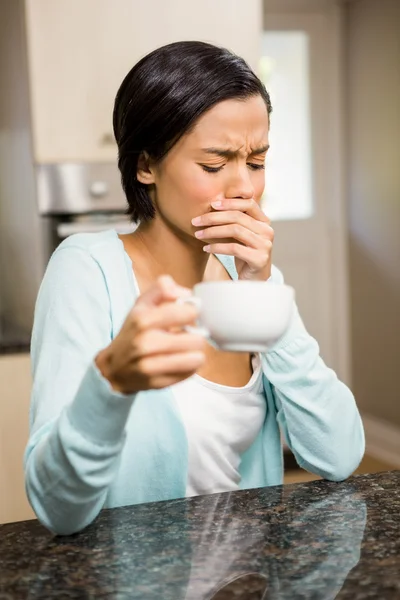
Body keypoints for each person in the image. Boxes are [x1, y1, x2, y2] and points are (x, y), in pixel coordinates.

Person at [24, 41, 364, 535]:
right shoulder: (85, 272)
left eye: (257, 161)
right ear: (146, 165)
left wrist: (263, 287)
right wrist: (109, 385)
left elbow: (340, 454)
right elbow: (58, 508)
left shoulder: (248, 278)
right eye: (213, 165)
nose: (245, 188)